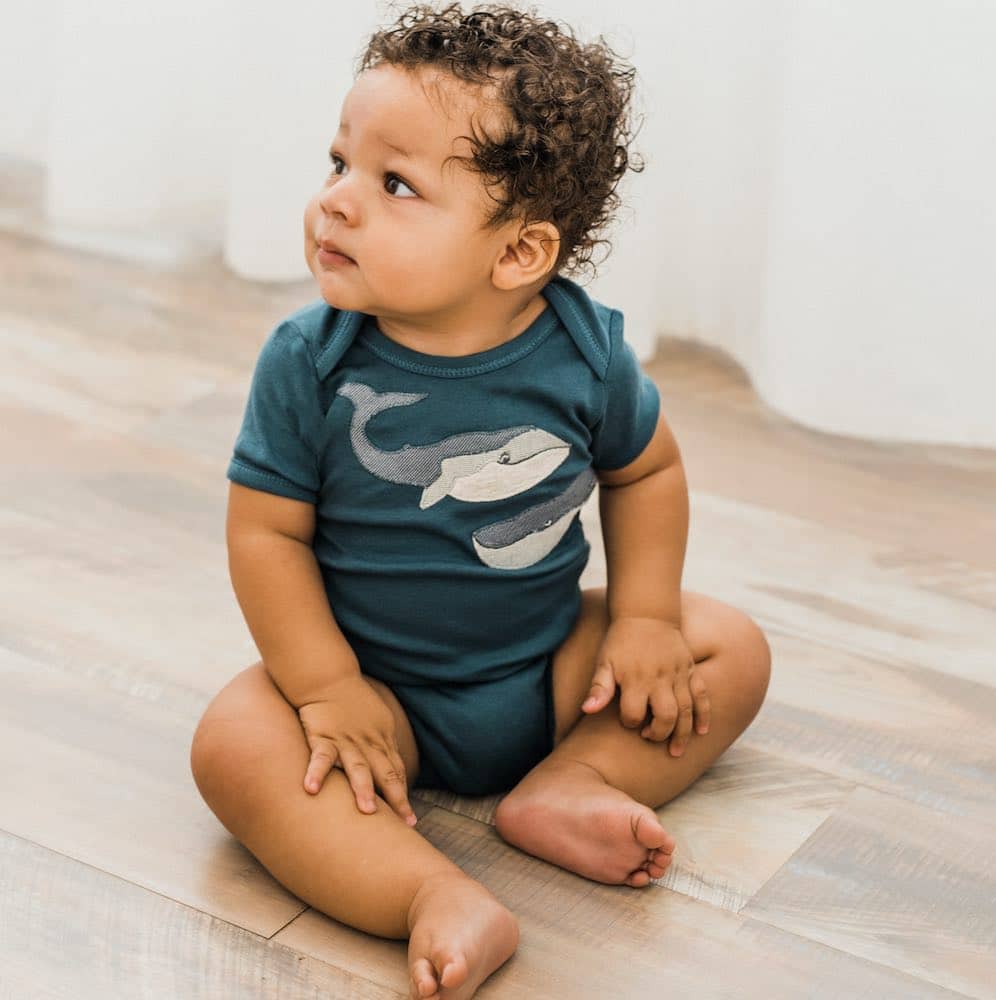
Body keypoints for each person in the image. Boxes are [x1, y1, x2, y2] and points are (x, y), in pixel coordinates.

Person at [190, 4, 772, 998]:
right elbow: (265, 534)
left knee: (729, 646)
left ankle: (572, 782)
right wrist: (327, 688)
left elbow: (645, 471)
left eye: (394, 184)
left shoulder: (585, 354)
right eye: (338, 163)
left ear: (517, 255)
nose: (335, 202)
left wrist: (642, 619)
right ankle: (428, 891)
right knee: (233, 743)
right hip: (376, 696)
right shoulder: (309, 362)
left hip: (549, 671)